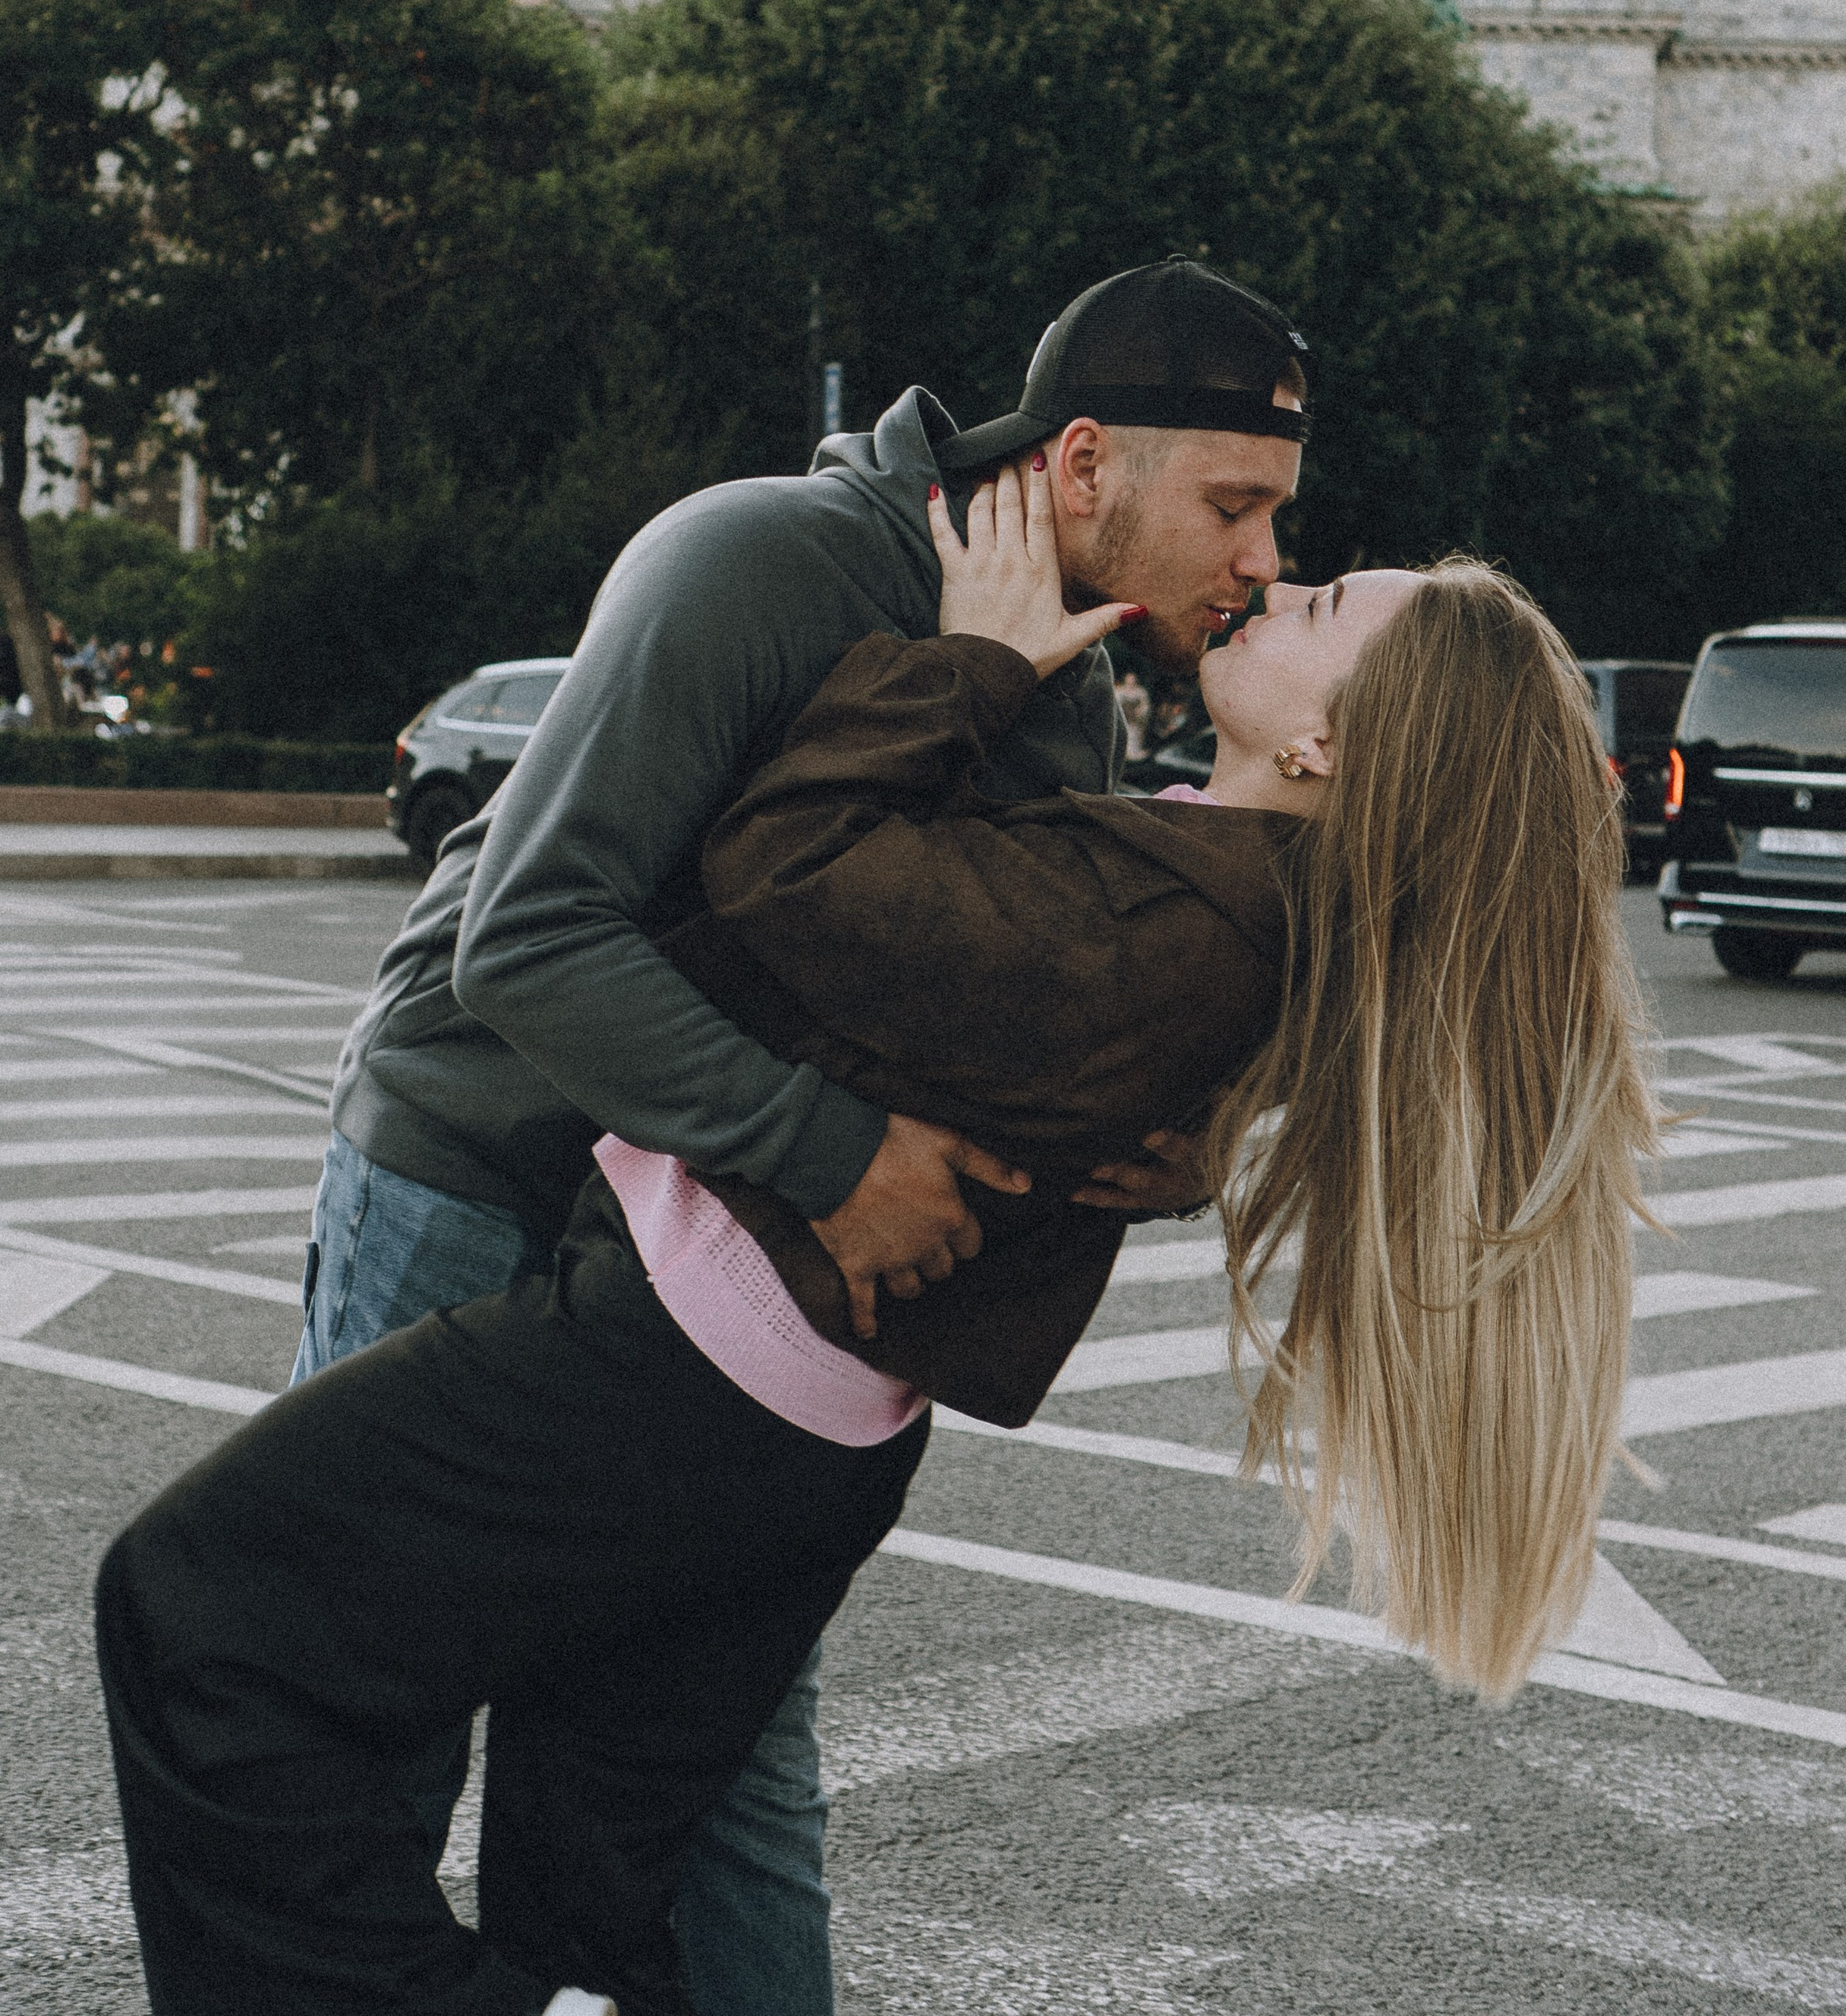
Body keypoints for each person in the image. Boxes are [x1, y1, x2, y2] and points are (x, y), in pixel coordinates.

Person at [97, 469, 1655, 2016]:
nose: (1274, 580)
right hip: (794, 1424)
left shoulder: (1159, 919)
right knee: (591, 1890)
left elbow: (783, 870)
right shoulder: (1226, 901)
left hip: (680, 1367)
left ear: (1325, 746)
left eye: (1319, 608)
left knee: (196, 1616)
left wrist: (968, 664)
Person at [285, 257, 1312, 2014]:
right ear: (1081, 463)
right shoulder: (760, 556)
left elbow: (970, 982)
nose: (1262, 561)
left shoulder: (1068, 688)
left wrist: (1167, 1140)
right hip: (483, 1171)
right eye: (1232, 507)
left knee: (716, 1773)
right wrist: (831, 1151)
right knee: (368, 1712)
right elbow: (522, 941)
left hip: (712, 1258)